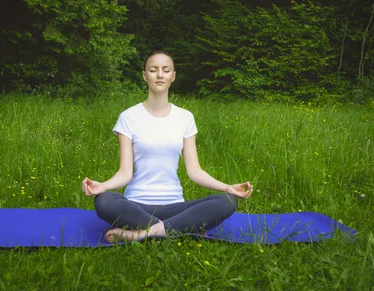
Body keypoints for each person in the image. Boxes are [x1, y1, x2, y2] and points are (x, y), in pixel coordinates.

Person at [81, 51, 252, 242]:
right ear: (145, 75)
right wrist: (102, 186)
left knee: (227, 201)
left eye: (166, 70)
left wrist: (228, 187)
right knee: (104, 201)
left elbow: (195, 171)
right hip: (136, 206)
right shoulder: (128, 117)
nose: (160, 75)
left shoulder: (185, 117)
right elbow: (125, 173)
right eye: (153, 70)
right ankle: (181, 229)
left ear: (173, 76)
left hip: (175, 207)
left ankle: (142, 234)